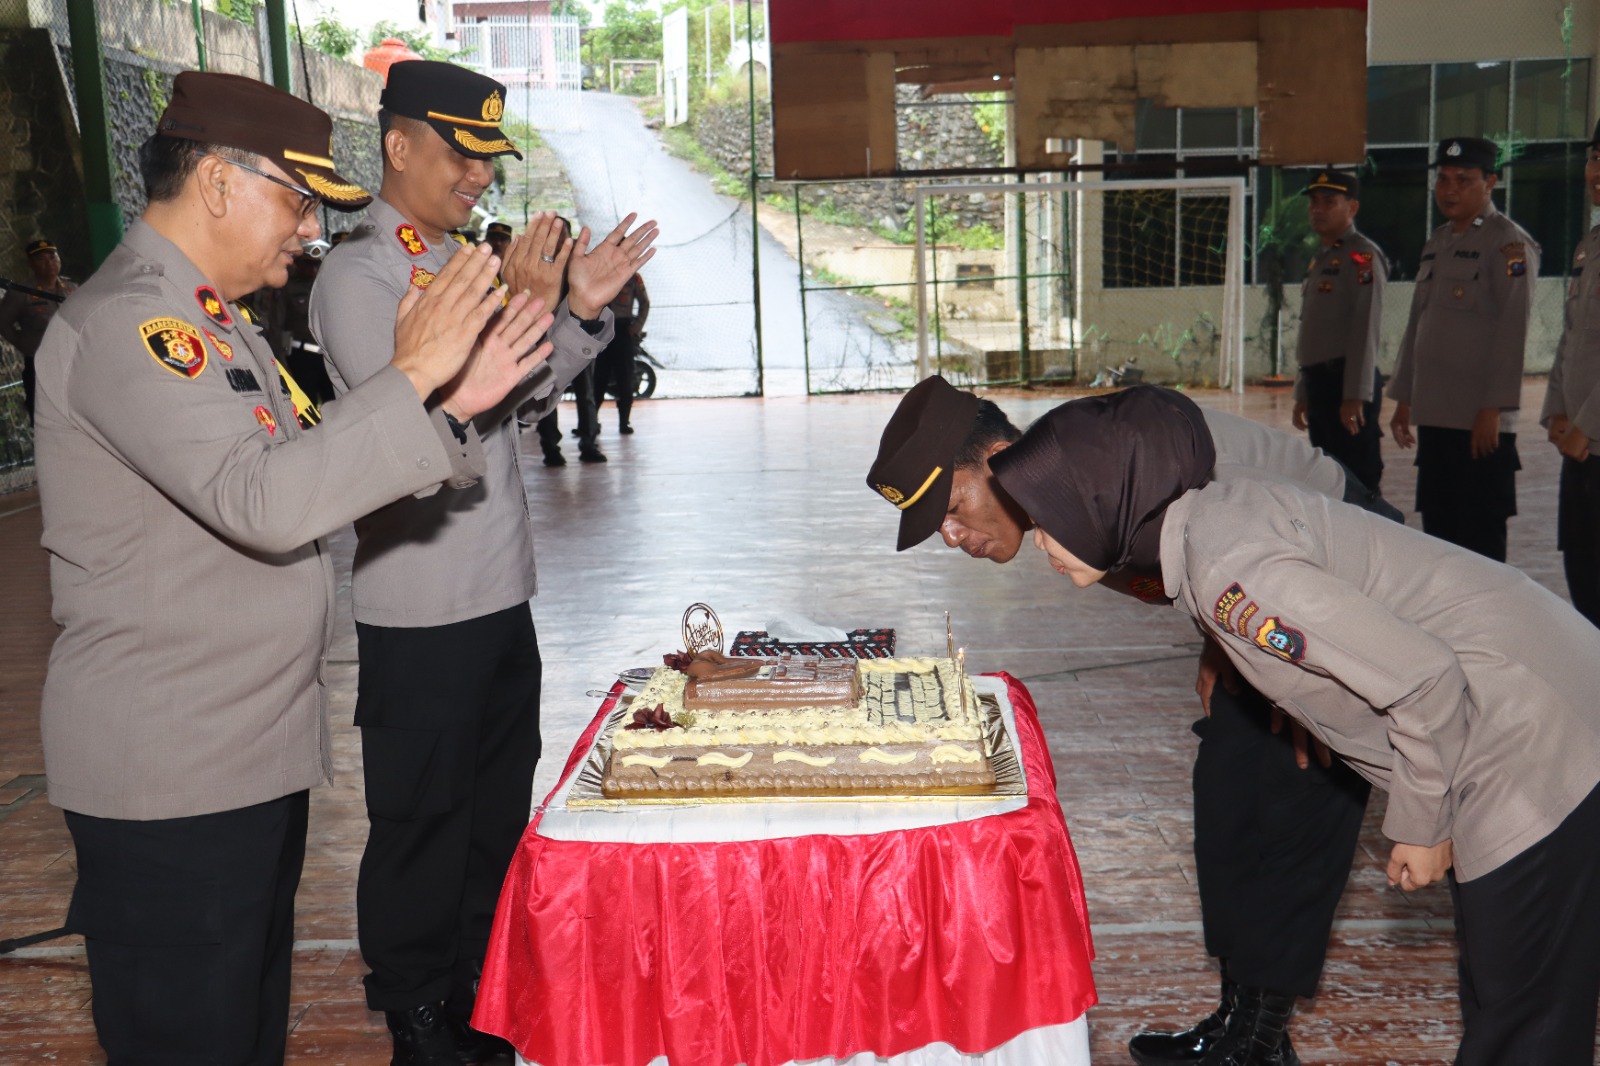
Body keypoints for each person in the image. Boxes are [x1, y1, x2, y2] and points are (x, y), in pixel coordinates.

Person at [32, 70, 553, 1065]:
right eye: (295, 197)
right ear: (220, 182)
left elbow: (301, 464)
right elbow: (264, 503)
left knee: (240, 1036)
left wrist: (444, 401)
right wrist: (411, 378)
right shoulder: (137, 328)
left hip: (237, 756)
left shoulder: (219, 322)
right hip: (171, 770)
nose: (307, 227)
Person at [991, 385, 1600, 1066]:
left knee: (1523, 1019)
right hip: (1508, 711)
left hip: (1530, 731)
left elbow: (1424, 677)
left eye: (1049, 516)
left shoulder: (1229, 570)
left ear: (1105, 502)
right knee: (1514, 999)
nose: (1038, 536)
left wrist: (1423, 823)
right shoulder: (1202, 533)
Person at [865, 378, 1399, 1065]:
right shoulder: (1061, 493)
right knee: (1229, 782)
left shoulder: (1107, 464)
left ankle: (1262, 1044)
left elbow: (1266, 535)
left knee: (1296, 787)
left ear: (999, 456)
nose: (950, 535)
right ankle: (1240, 1022)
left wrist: (1308, 677)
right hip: (1261, 591)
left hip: (1339, 574)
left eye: (953, 506)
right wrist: (1220, 638)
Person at [309, 59, 656, 1064]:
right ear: (400, 145)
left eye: (487, 161)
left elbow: (519, 412)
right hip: (421, 602)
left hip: (501, 590)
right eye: (462, 154)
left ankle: (476, 991)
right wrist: (530, 313)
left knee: (493, 815)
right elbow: (420, 429)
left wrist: (578, 313)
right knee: (422, 820)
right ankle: (418, 1013)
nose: (477, 178)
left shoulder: (459, 261)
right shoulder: (362, 274)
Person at [1387, 137, 1539, 562]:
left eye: (1463, 180)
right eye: (1443, 180)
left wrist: (1495, 407)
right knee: (1441, 533)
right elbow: (1419, 324)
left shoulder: (1508, 244)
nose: (1449, 190)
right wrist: (1404, 398)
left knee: (1480, 541)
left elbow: (1513, 328)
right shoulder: (1438, 241)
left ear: (1490, 182)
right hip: (1437, 418)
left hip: (1480, 424)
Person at [1290, 168, 1387, 491]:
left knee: (1357, 477)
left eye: (1329, 201)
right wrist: (1304, 391)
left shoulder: (1361, 256)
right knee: (1329, 475)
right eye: (1314, 202)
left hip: (1344, 384)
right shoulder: (1321, 258)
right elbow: (1314, 330)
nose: (1318, 209)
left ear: (1352, 208)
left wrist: (1355, 395)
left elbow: (1365, 328)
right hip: (1321, 385)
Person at [1540, 121, 1600, 628]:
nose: (1597, 171)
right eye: (1594, 157)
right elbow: (1570, 338)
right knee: (1582, 568)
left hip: (1594, 439)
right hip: (1579, 446)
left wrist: (1588, 425)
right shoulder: (1590, 245)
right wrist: (1557, 410)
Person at [0, 237, 78, 422]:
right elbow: (3, 322)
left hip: (74, 364)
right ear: (31, 264)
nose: (49, 263)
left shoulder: (71, 289)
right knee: (47, 420)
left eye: (52, 257)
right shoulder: (21, 293)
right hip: (41, 367)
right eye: (41, 259)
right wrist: (25, 344)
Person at [594, 269, 648, 433]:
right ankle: (590, 423)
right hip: (602, 330)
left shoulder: (633, 276)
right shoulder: (602, 273)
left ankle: (624, 422)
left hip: (623, 331)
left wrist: (636, 327)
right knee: (599, 379)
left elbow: (645, 303)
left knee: (625, 378)